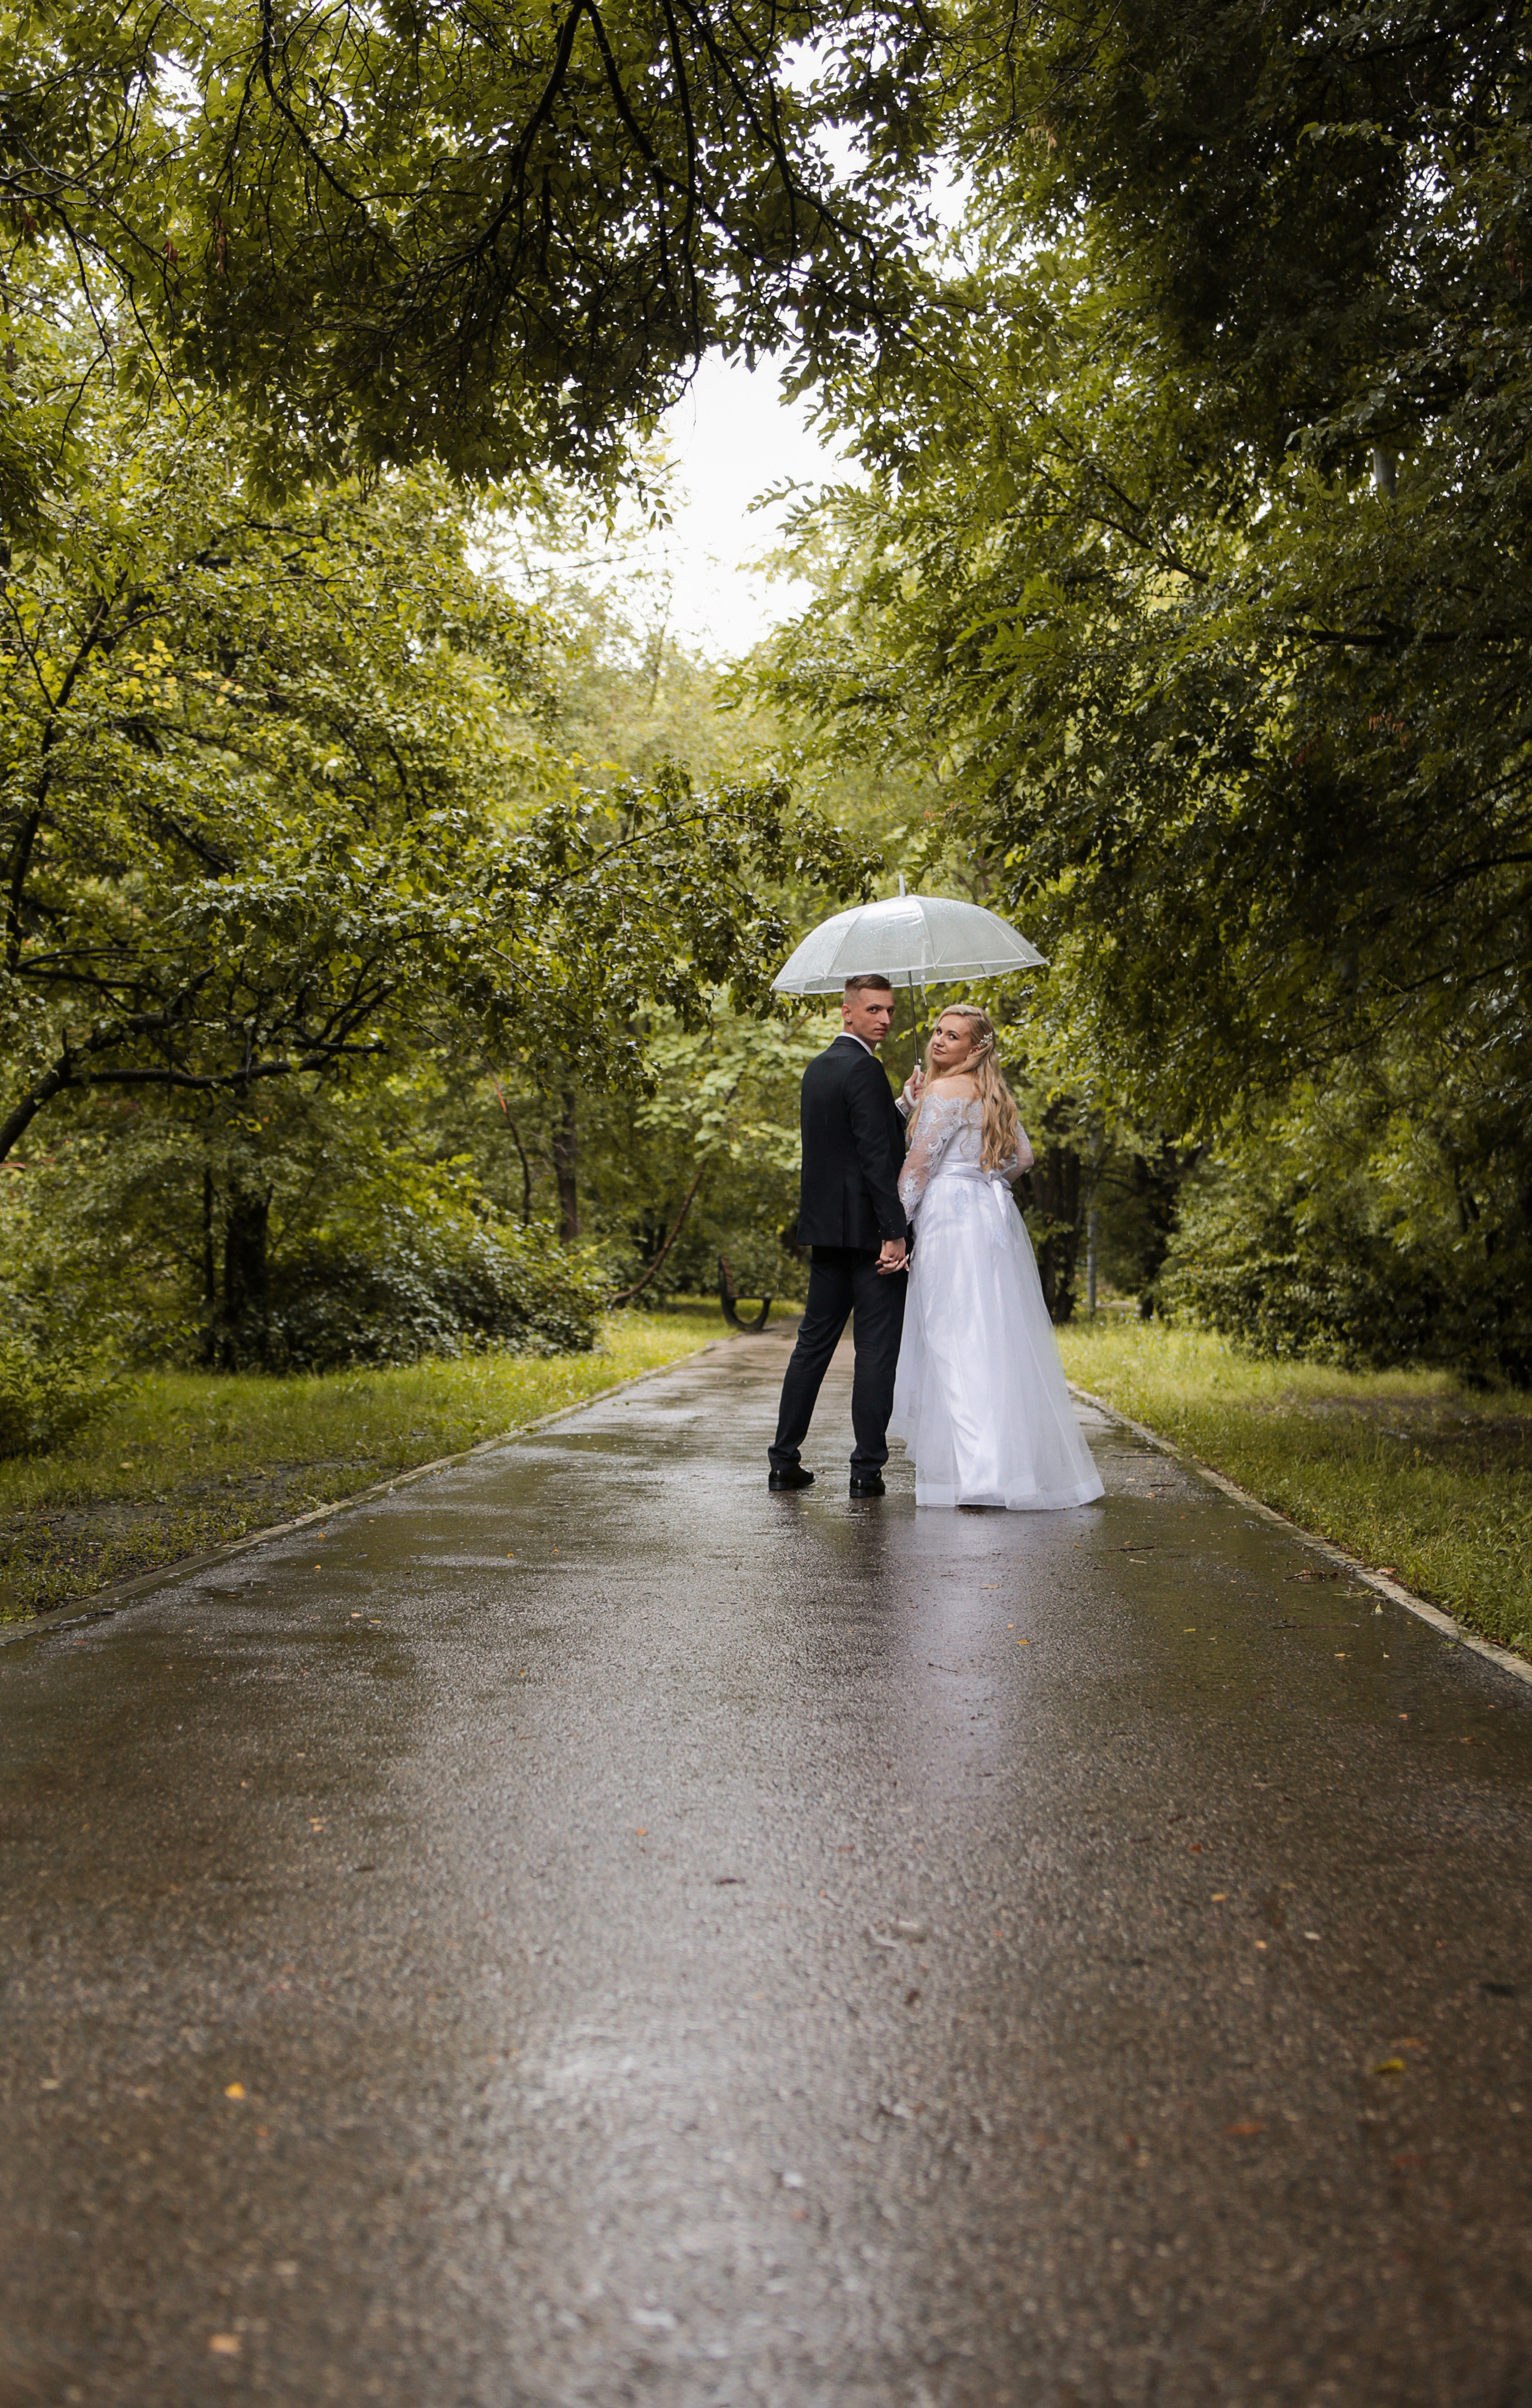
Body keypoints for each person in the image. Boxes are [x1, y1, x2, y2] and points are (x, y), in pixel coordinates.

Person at [889, 1002, 1105, 1511]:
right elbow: (1022, 1159)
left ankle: (982, 1474)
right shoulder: (993, 1093)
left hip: (949, 1220)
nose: (940, 1041)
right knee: (990, 1340)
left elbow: (917, 1168)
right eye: (938, 1032)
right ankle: (1009, 1471)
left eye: (954, 1036)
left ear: (977, 1046)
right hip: (990, 1219)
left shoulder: (944, 1091)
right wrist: (983, 1179)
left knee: (952, 1340)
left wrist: (893, 1230)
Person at [767, 974, 910, 1498]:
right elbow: (877, 1159)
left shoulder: (818, 1068)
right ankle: (866, 1471)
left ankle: (784, 1460)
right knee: (876, 1352)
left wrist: (901, 1105)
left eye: (889, 1010)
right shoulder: (867, 1069)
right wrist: (894, 1234)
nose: (885, 1019)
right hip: (871, 1237)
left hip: (827, 1232)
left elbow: (851, 1142)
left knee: (812, 1346)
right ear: (846, 1012)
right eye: (873, 1009)